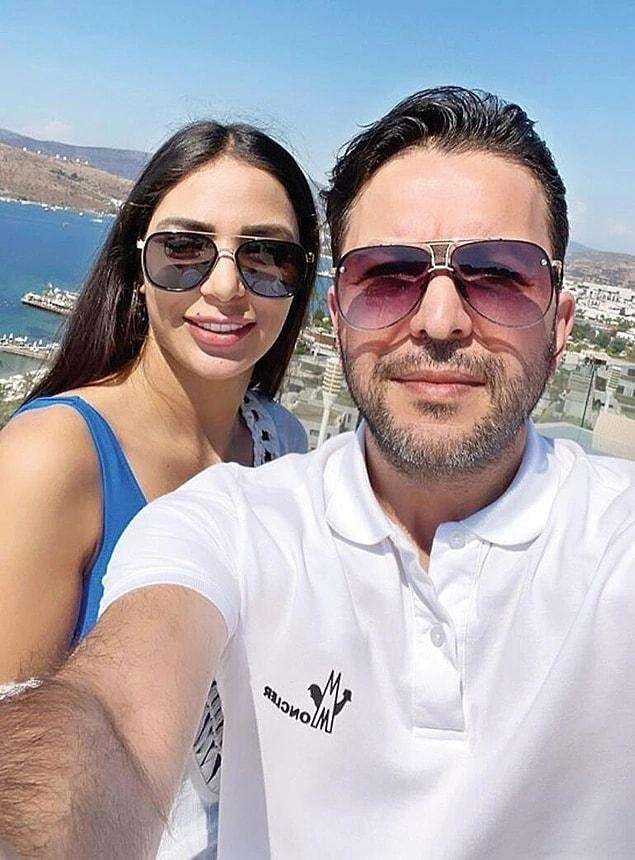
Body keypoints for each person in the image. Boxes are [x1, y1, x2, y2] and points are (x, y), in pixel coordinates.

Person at [1, 86, 634, 858]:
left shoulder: (276, 438)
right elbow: (107, 724)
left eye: (498, 275)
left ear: (560, 324)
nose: (439, 321)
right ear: (339, 314)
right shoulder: (192, 502)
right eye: (389, 273)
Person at [0, 120, 318, 856]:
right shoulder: (53, 457)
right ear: (135, 266)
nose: (225, 287)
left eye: (266, 255)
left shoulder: (281, 443)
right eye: (184, 249)